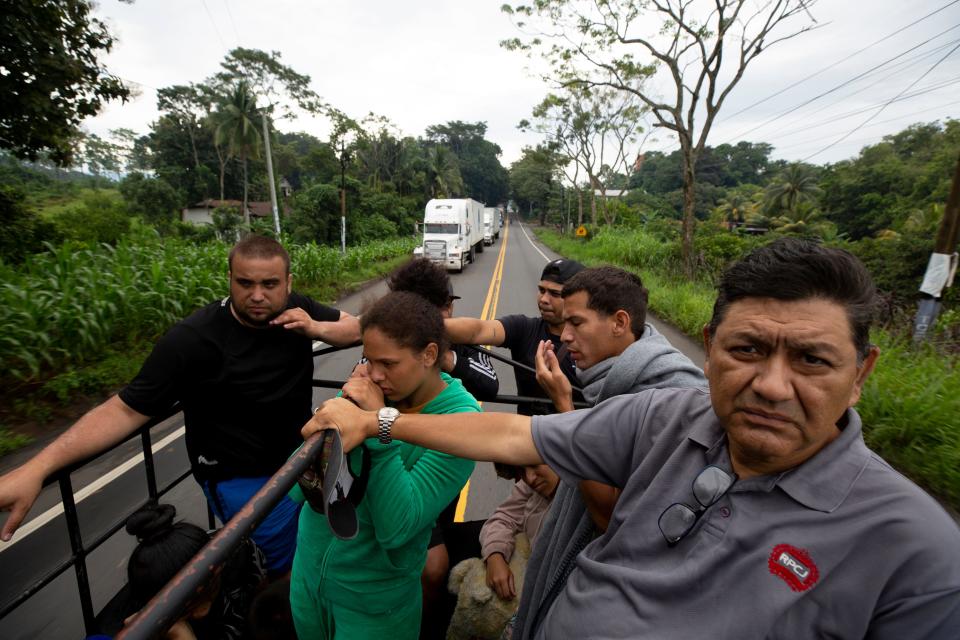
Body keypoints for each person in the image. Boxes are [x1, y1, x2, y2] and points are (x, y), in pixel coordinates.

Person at [307, 239, 960, 639]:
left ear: (861, 373)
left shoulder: (916, 554)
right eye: (747, 349)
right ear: (711, 350)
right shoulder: (666, 415)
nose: (771, 385)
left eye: (813, 360)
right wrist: (377, 421)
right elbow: (513, 432)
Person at [0, 235, 361, 576]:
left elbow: (354, 328)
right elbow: (124, 409)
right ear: (229, 279)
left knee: (319, 551)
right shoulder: (194, 339)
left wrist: (315, 328)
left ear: (287, 282)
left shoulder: (297, 310)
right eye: (244, 283)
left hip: (298, 463)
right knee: (292, 567)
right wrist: (40, 466)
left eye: (269, 284)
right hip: (240, 479)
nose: (257, 295)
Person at [516, 265, 706, 635]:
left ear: (620, 322)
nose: (565, 337)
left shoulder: (665, 397)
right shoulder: (619, 380)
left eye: (577, 323)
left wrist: (565, 407)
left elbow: (611, 518)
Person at [289, 291, 480, 640]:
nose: (374, 375)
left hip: (375, 604)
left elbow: (397, 527)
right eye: (368, 359)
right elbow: (296, 493)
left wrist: (376, 426)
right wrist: (334, 414)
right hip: (310, 578)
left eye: (388, 364)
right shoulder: (362, 391)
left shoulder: (460, 419)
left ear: (429, 354)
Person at [383, 258, 499, 640]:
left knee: (433, 563)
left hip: (431, 471)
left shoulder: (457, 344)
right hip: (396, 472)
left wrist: (445, 356)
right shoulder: (383, 346)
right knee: (427, 564)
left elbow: (490, 383)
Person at [444, 258, 585, 416]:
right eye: (541, 290)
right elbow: (479, 330)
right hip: (527, 435)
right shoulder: (524, 327)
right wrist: (420, 325)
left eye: (555, 294)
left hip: (572, 438)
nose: (544, 299)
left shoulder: (594, 344)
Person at [118, 502, 265, 639]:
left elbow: (264, 603)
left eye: (211, 588)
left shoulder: (240, 554)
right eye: (186, 607)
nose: (203, 610)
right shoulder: (145, 622)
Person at [480, 463, 559, 602]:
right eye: (521, 470)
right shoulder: (528, 487)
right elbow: (503, 518)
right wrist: (495, 555)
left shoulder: (583, 493)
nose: (530, 478)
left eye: (535, 465)